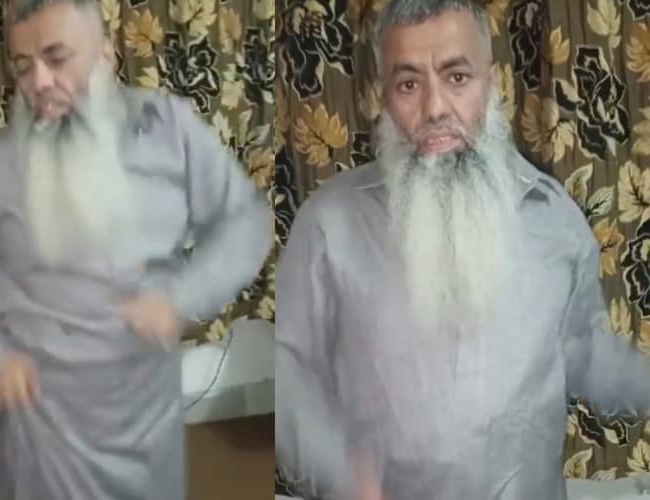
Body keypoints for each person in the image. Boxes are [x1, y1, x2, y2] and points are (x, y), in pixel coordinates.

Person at [275, 1, 650, 499]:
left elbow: (590, 357)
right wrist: (343, 473)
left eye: (456, 77)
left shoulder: (554, 218)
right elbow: (289, 384)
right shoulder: (327, 226)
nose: (434, 108)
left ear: (490, 81)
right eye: (408, 84)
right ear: (384, 95)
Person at [0, 0, 271, 498]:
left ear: (105, 52)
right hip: (39, 425)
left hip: (144, 419)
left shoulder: (170, 131)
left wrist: (181, 296)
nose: (39, 81)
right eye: (23, 65)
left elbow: (243, 222)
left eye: (56, 57)